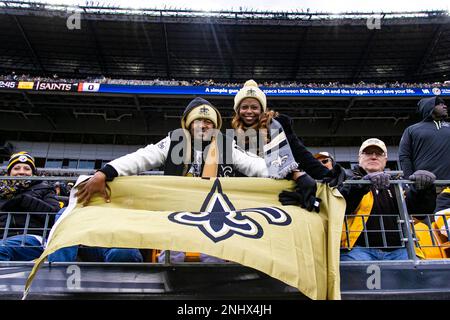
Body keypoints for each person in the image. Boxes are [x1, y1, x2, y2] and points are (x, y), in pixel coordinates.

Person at [63, 97, 270, 263]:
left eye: (209, 122)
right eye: (199, 120)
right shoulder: (174, 141)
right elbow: (142, 157)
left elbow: (253, 164)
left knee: (212, 259)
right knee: (172, 259)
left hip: (214, 216)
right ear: (188, 123)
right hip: (177, 216)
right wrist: (106, 172)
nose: (204, 125)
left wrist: (285, 174)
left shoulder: (226, 145)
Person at [231, 80, 342, 212]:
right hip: (251, 198)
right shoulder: (234, 138)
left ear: (262, 109)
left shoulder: (278, 127)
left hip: (281, 196)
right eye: (244, 107)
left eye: (254, 107)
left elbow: (301, 155)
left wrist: (328, 176)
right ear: (238, 110)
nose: (249, 111)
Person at [339, 138, 436, 261]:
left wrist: (424, 189)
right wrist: (361, 184)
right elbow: (342, 206)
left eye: (379, 154)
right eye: (368, 153)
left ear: (385, 160)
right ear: (359, 158)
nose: (374, 157)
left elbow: (420, 211)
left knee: (416, 275)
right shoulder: (346, 180)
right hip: (358, 250)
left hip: (400, 250)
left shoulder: (398, 184)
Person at [399, 97, 450, 237]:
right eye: (439, 103)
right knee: (430, 233)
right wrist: (409, 182)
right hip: (425, 189)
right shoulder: (412, 130)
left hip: (449, 188)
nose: (444, 106)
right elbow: (404, 156)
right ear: (429, 107)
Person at [0, 152, 60, 261]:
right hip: (3, 238)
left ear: (33, 172)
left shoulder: (45, 189)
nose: (21, 172)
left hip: (33, 238)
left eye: (27, 169)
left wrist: (26, 200)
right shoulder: (2, 192)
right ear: (9, 172)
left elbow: (55, 216)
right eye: (16, 168)